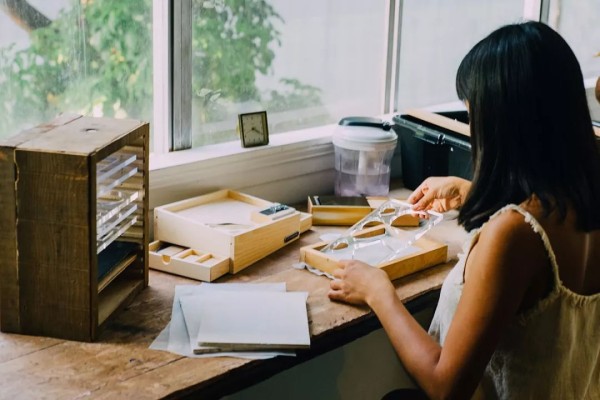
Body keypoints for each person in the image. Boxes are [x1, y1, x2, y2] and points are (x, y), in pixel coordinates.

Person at [328, 21, 600, 399]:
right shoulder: (585, 200)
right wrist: (473, 193)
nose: (472, 131)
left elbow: (446, 385)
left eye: (474, 118)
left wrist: (379, 293)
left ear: (505, 127)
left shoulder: (513, 236)